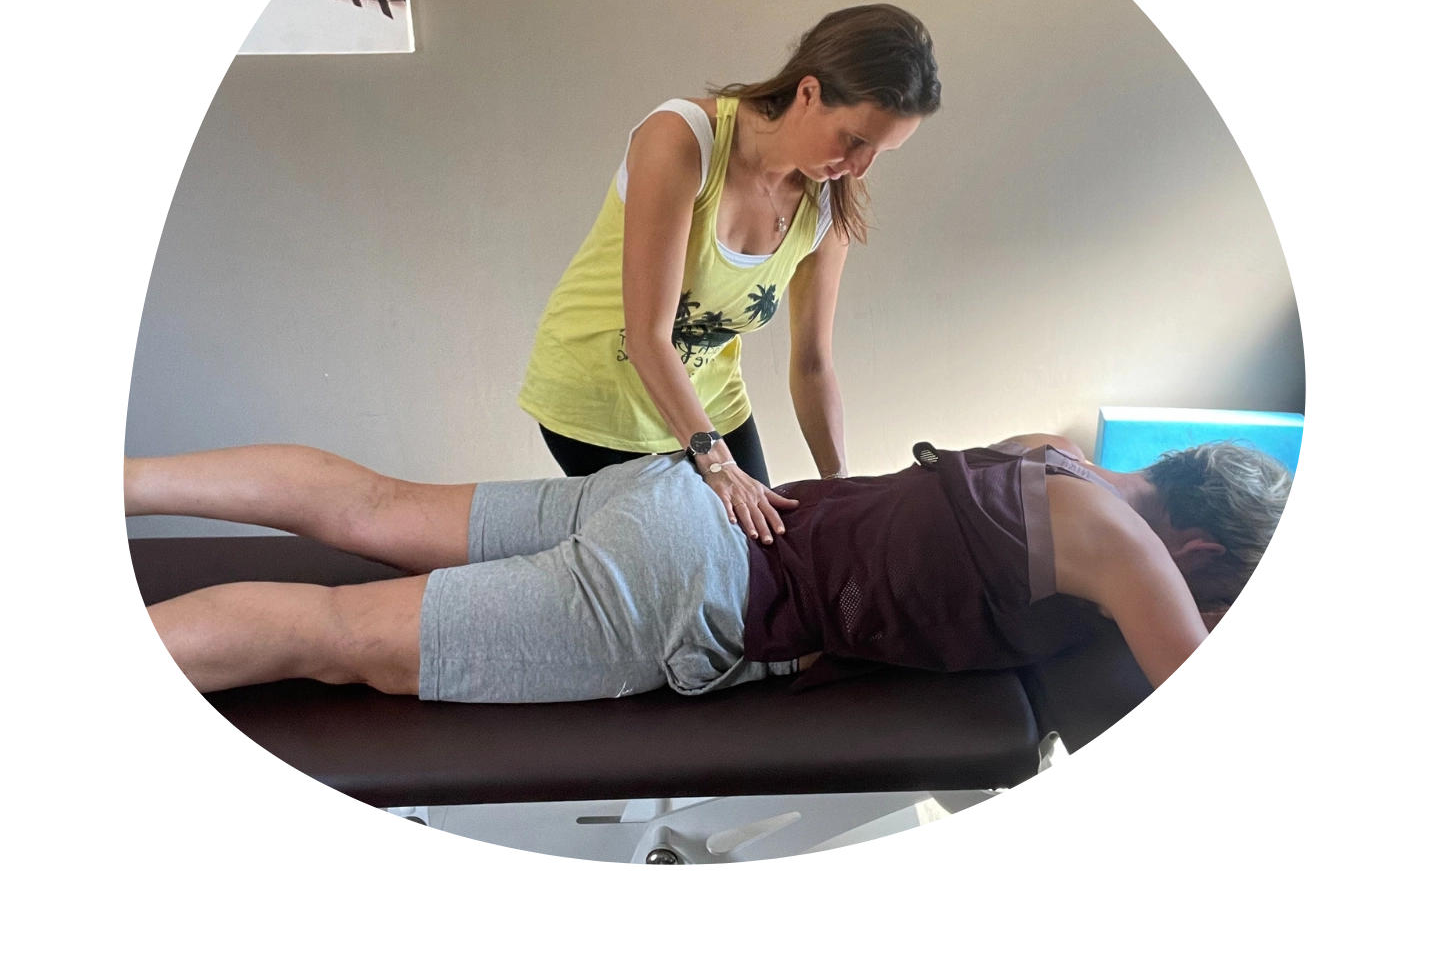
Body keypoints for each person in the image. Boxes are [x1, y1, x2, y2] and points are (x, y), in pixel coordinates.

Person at [124, 428, 1293, 701]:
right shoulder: (1136, 557)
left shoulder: (1056, 456)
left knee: (370, 504)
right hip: (691, 589)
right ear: (1194, 547)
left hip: (683, 490)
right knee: (329, 641)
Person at [517, 4, 941, 545]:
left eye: (881, 152)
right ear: (808, 93)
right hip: (598, 393)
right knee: (682, 561)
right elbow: (648, 335)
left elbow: (812, 364)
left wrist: (839, 488)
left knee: (765, 554)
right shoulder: (683, 138)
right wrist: (715, 464)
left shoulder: (828, 203)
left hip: (710, 395)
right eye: (855, 140)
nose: (860, 167)